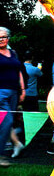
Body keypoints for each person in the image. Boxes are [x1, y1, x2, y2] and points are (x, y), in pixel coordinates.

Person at [0, 27, 26, 167]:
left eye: (4, 37)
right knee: (7, 121)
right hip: (0, 93)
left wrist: (22, 89)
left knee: (7, 122)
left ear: (8, 38)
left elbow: (19, 72)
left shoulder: (13, 53)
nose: (1, 39)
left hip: (14, 92)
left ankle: (16, 143)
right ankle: (1, 154)